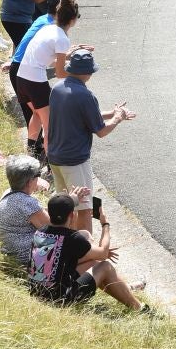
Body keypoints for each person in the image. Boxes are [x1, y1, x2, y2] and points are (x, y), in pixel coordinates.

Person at [46, 47, 135, 234]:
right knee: (85, 208)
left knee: (65, 207)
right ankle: (86, 253)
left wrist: (113, 113)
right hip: (75, 161)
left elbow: (81, 115)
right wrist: (117, 118)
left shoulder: (57, 88)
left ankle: (66, 248)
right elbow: (101, 131)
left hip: (55, 158)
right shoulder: (86, 95)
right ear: (88, 73)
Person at [28, 192, 146, 311]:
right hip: (60, 301)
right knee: (105, 266)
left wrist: (95, 253)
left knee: (93, 263)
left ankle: (125, 290)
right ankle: (139, 308)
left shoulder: (40, 231)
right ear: (72, 215)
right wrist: (105, 224)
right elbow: (103, 254)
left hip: (37, 294)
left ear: (49, 212)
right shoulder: (73, 238)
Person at [14, 0, 82, 158]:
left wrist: (67, 55)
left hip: (21, 77)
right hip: (35, 82)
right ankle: (53, 165)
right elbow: (59, 73)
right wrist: (79, 77)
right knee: (50, 125)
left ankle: (31, 155)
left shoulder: (47, 28)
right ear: (72, 20)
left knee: (37, 114)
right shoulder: (62, 38)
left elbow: (48, 60)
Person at [0, 153, 54, 264]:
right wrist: (70, 204)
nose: (39, 177)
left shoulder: (9, 193)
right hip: (31, 257)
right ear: (29, 182)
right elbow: (55, 231)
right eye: (38, 174)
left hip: (13, 252)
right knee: (81, 240)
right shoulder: (27, 203)